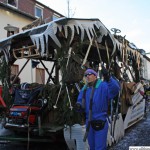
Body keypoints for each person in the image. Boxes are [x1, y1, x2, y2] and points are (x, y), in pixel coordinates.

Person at [76, 67, 120, 150]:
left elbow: (115, 89)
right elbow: (80, 101)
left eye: (89, 74)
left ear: (95, 76)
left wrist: (108, 77)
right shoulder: (84, 89)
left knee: (99, 148)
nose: (87, 76)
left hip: (100, 121)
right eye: (86, 75)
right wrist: (79, 105)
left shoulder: (102, 86)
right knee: (92, 146)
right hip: (89, 122)